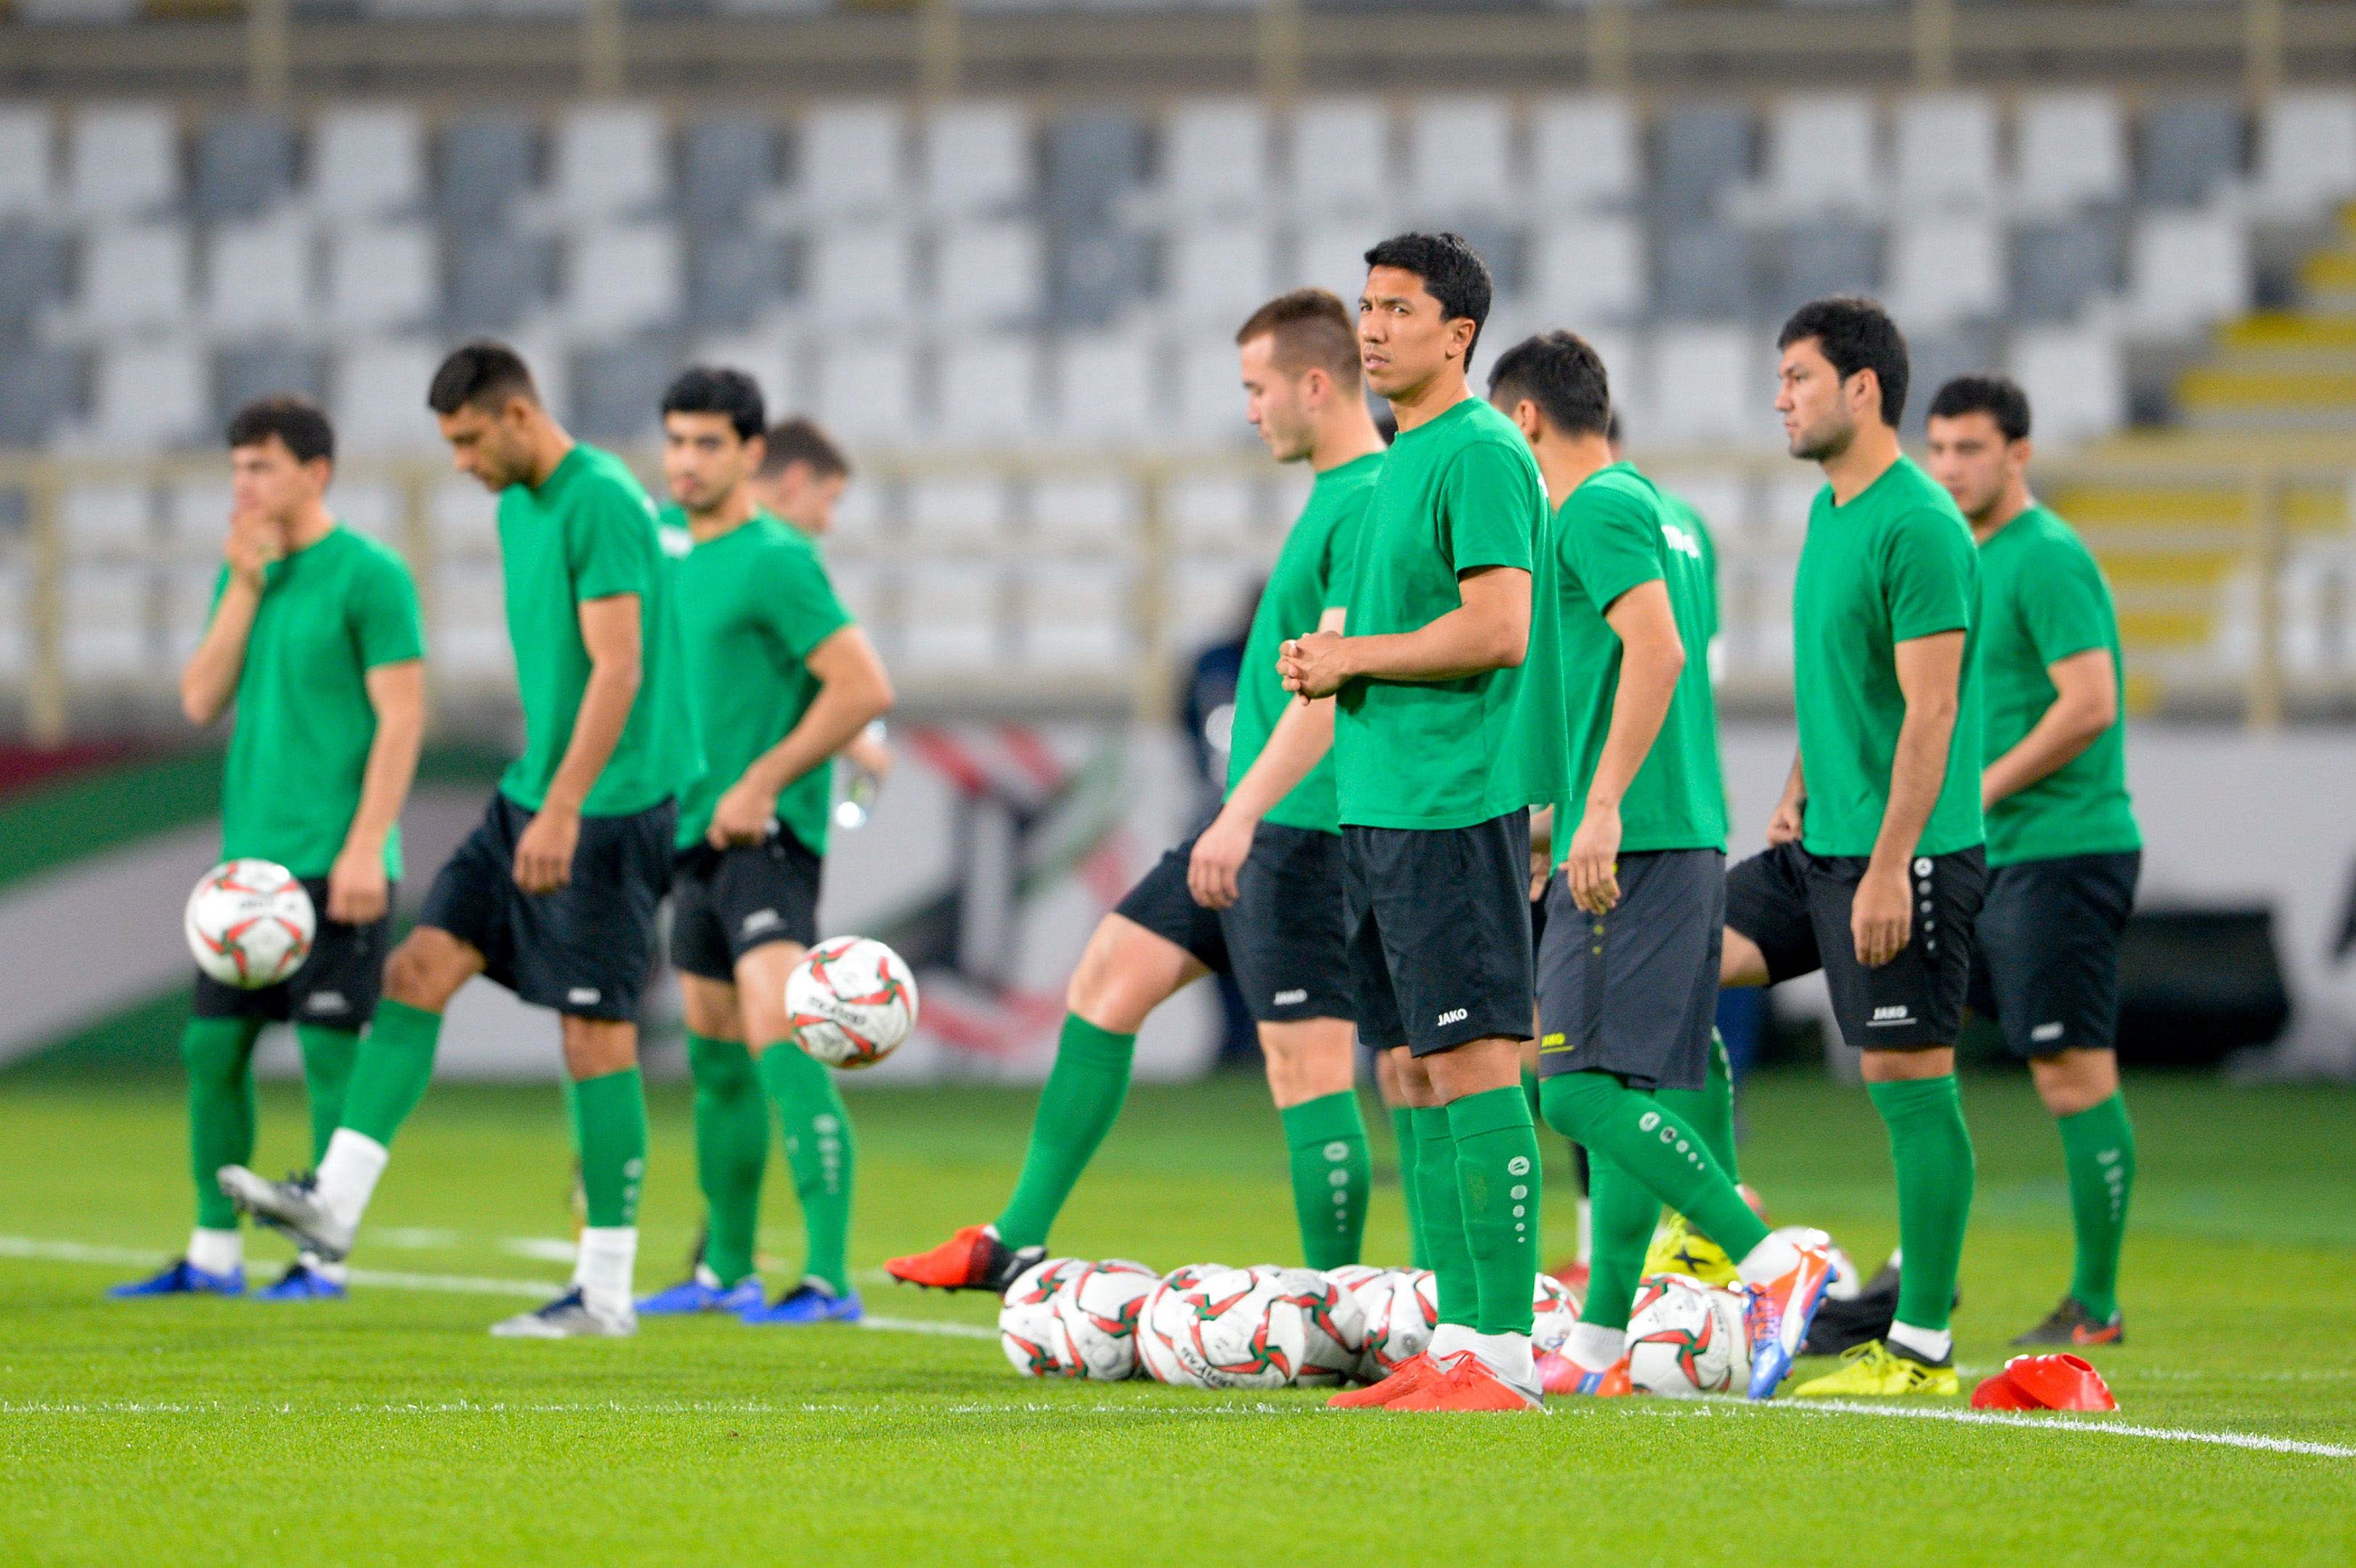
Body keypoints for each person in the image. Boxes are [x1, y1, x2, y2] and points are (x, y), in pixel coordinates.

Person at [886, 288, 1386, 1292]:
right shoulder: (1332, 495)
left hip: (1307, 829)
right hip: (1255, 820)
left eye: (1259, 388)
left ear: (1316, 384)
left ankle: (1341, 1302)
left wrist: (1241, 813)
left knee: (1310, 1070)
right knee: (1108, 978)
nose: (1250, 410)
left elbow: (1338, 687)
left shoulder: (1369, 499)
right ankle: (1015, 1236)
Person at [222, 341, 699, 1339]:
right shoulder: (520, 503)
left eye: (469, 439)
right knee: (417, 969)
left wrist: (567, 805)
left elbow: (620, 669)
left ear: (519, 417)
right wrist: (546, 793)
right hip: (533, 790)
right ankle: (335, 1204)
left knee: (594, 1033)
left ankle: (605, 1294)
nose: (460, 462)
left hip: (608, 806)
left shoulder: (600, 499)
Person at [1486, 332, 1834, 1400]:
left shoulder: (1591, 509)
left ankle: (1771, 1259)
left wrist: (1597, 809)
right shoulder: (1651, 512)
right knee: (1626, 1082)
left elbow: (1660, 651)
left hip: (1635, 842)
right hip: (1665, 829)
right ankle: (1597, 1342)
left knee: (1573, 1094)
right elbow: (1616, 675)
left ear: (1528, 419)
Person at [1282, 233, 1567, 1413]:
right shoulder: (1400, 459)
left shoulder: (1483, 453)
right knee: (1421, 1066)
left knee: (1474, 1057)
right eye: (1364, 305)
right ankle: (1458, 1342)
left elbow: (1499, 626)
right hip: (1382, 803)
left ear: (1457, 335)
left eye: (1397, 308)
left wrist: (1354, 655)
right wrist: (1333, 661)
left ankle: (1499, 1352)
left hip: (1454, 801)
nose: (1372, 326)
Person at [1721, 297, 1986, 1398]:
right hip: (1817, 841)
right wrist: (1794, 783)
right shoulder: (1835, 511)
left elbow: (1930, 714)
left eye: (1797, 377)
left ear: (1862, 388)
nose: (1778, 397)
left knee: (1908, 1081)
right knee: (1657, 969)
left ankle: (1920, 1342)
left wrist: (1889, 864)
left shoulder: (1918, 524)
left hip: (1901, 857)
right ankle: (1725, 1232)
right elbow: (1847, 690)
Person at [111, 397, 425, 1304]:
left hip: (339, 858)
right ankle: (213, 1253)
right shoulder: (246, 573)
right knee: (212, 1048)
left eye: (262, 467)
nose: (244, 484)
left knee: (331, 1053)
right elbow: (201, 698)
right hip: (248, 872)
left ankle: (323, 1258)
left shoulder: (371, 574)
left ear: (314, 473)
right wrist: (242, 586)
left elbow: (403, 716)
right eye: (238, 467)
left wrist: (370, 844)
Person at [633, 368, 895, 1325]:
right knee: (714, 1058)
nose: (687, 461)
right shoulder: (663, 547)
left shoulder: (776, 557)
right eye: (676, 441)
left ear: (754, 453)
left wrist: (763, 779)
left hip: (763, 836)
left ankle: (828, 1277)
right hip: (690, 833)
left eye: (708, 443)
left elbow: (863, 686)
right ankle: (726, 1269)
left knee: (786, 1043)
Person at [1925, 373, 2139, 1349]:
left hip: (2063, 845)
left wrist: (1984, 785)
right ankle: (1923, 1272)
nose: (1951, 466)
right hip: (1995, 848)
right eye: (1939, 448)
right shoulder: (1968, 555)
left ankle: (2096, 1300)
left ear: (2019, 453)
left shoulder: (2046, 556)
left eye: (1970, 448)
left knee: (2070, 1070)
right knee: (1914, 1050)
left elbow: (2089, 701)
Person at [746, 418, 893, 800]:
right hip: (766, 809)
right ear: (795, 480)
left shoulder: (669, 530)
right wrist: (854, 741)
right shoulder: (783, 553)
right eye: (830, 499)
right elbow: (859, 688)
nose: (828, 522)